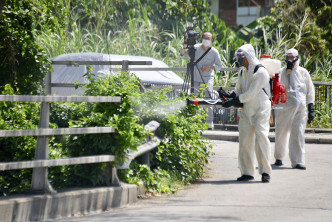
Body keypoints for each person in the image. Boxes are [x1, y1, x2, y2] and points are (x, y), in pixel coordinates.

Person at [221, 44, 272, 183]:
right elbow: (239, 89)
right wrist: (229, 95)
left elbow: (250, 94)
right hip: (247, 109)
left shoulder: (260, 72)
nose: (238, 60)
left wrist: (235, 101)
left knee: (261, 139)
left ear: (248, 56)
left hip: (261, 109)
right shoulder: (243, 71)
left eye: (240, 57)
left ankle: (265, 172)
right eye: (237, 57)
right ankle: (247, 172)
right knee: (244, 141)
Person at [274, 48, 315, 170]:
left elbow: (310, 90)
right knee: (281, 133)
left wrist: (310, 105)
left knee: (298, 133)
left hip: (300, 109)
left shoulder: (303, 72)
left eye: (291, 58)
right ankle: (279, 157)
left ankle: (298, 161)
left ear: (297, 59)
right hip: (284, 108)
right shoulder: (281, 72)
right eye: (287, 58)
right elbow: (276, 87)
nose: (289, 61)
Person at [180, 32, 222, 130]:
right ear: (201, 39)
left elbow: (219, 66)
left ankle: (209, 122)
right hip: (195, 77)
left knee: (208, 99)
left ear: (211, 40)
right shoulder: (195, 48)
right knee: (193, 99)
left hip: (208, 78)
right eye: (204, 38)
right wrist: (184, 46)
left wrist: (209, 67)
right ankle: (194, 121)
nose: (206, 40)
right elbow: (182, 55)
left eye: (208, 38)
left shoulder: (214, 52)